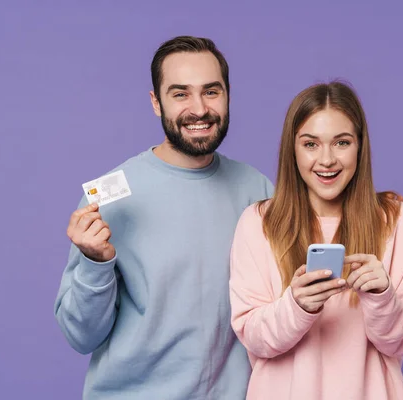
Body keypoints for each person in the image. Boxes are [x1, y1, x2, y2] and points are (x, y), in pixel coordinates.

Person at [53, 36, 274, 399]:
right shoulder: (109, 194)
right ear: (156, 103)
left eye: (211, 91)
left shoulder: (258, 189)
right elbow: (80, 337)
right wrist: (95, 263)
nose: (199, 109)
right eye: (180, 94)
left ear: (228, 95)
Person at [229, 81, 403, 400]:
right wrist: (296, 306)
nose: (326, 160)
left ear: (360, 147)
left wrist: (382, 297)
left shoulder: (401, 223)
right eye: (310, 144)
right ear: (292, 149)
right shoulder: (257, 224)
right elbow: (254, 338)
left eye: (342, 142)